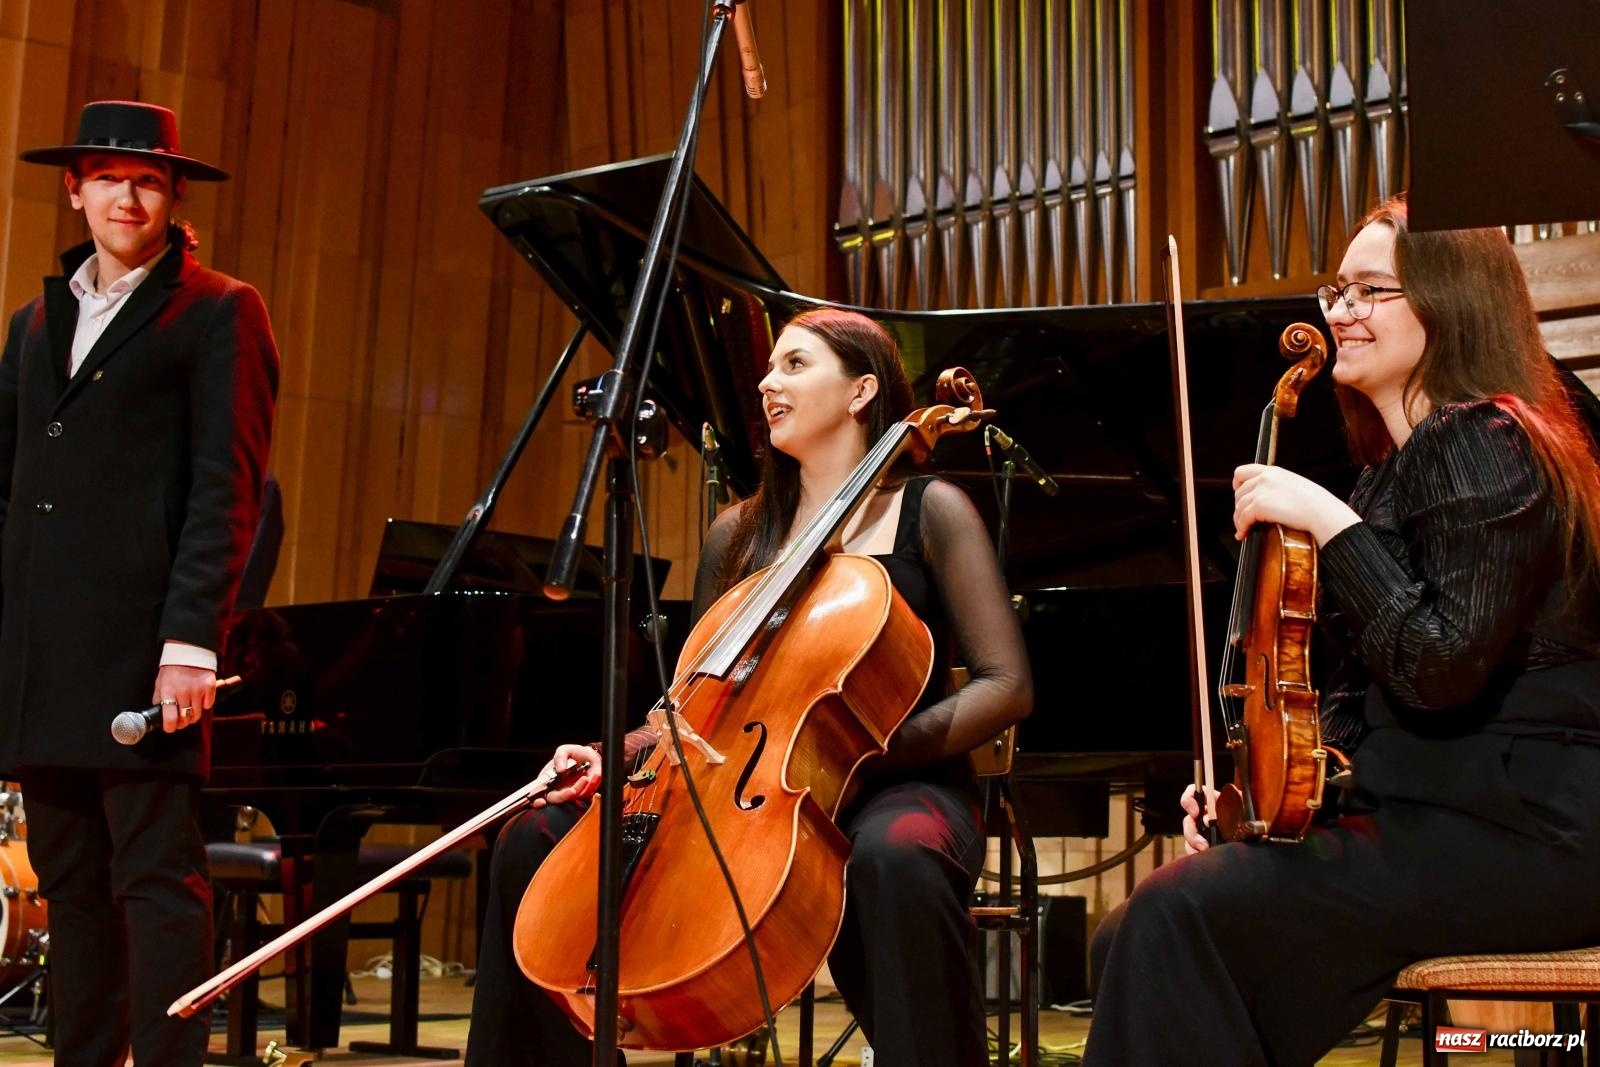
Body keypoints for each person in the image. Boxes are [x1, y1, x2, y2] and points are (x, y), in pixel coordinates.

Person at [1085, 193, 1600, 1066]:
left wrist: (1332, 525)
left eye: (1370, 291)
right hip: (1449, 813)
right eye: (1337, 291)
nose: (1339, 314)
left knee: (1175, 916)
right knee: (1131, 929)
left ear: (1449, 302)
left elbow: (1442, 668)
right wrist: (1263, 801)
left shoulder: (1483, 436)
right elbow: (1373, 704)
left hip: (1532, 830)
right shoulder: (1397, 469)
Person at [465, 307, 1033, 1066]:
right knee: (531, 837)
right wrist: (613, 752)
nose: (768, 382)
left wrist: (859, 755)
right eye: (770, 368)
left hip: (904, 776)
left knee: (894, 858)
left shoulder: (928, 512)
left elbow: (1006, 684)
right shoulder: (739, 534)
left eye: (795, 365)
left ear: (863, 390)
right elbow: (689, 705)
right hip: (736, 785)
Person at [0, 100, 279, 1066]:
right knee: (69, 879)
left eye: (149, 178)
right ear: (74, 189)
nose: (129, 193)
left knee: (157, 879)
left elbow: (227, 489)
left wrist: (190, 642)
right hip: (42, 653)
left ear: (172, 197)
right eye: (109, 176)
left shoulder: (219, 311)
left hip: (144, 650)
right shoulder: (35, 324)